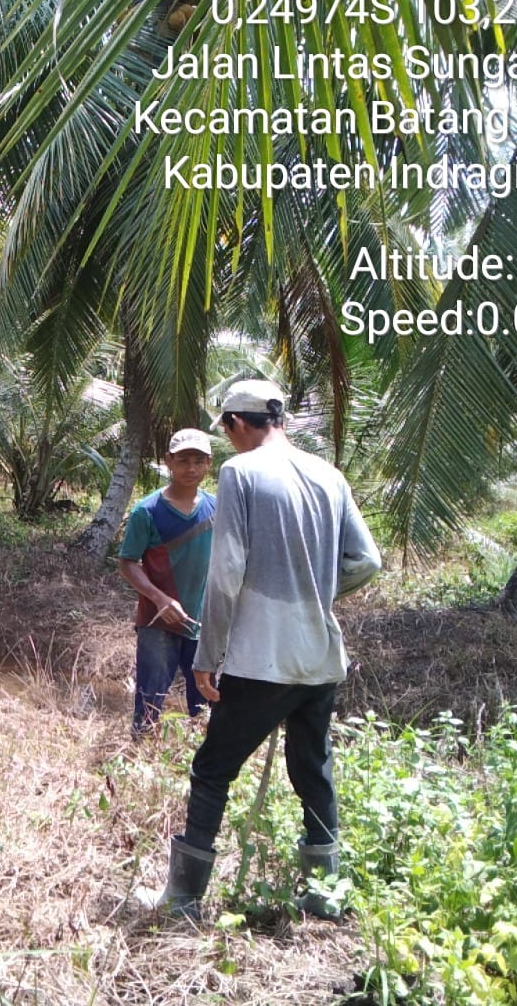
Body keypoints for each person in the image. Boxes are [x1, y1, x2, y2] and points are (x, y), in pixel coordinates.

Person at [152, 380, 381, 921]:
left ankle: (183, 900)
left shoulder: (241, 473)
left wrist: (208, 654)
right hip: (321, 657)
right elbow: (366, 560)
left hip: (262, 658)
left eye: (226, 430)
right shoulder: (330, 475)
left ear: (236, 423)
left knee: (213, 769)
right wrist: (316, 593)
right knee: (313, 769)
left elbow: (228, 570)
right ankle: (325, 896)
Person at [117, 428, 217, 736]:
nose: (191, 468)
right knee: (150, 699)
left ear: (208, 464)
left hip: (203, 621)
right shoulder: (146, 512)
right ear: (168, 462)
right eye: (183, 460)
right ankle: (139, 756)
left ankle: (197, 759)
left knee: (205, 699)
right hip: (157, 621)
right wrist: (159, 599)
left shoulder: (218, 508)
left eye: (198, 461)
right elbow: (128, 563)